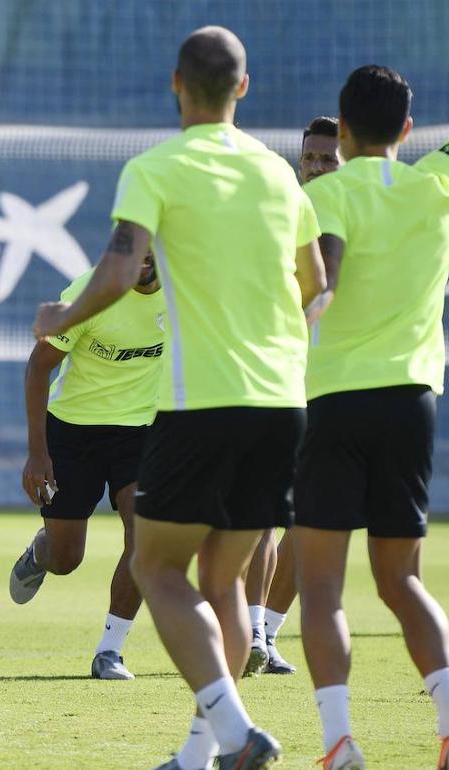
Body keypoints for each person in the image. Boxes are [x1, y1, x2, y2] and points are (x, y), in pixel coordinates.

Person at [33, 26, 325, 770]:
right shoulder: (278, 174)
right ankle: (202, 755)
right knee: (222, 581)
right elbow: (315, 283)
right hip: (283, 400)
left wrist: (60, 319)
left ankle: (234, 729)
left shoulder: (156, 168)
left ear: (175, 85)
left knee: (157, 567)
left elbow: (119, 266)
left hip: (203, 403)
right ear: (245, 88)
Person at [294, 65, 449, 770]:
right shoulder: (434, 185)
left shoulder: (327, 191)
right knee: (404, 583)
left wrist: (309, 308)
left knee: (322, 587)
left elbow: (321, 274)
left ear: (342, 129)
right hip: (412, 402)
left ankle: (340, 742)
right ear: (409, 132)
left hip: (335, 401)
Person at [9, 251, 163, 681]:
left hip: (142, 434)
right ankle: (42, 550)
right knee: (66, 559)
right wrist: (37, 454)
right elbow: (39, 369)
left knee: (146, 536)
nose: (146, 257)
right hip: (74, 434)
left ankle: (110, 651)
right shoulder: (91, 293)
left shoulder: (187, 291)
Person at [243, 115, 343, 677]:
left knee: (310, 527)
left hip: (338, 392)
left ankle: (268, 633)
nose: (319, 167)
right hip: (275, 385)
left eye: (329, 159)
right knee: (262, 520)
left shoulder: (361, 218)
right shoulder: (280, 217)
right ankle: (251, 629)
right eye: (311, 159)